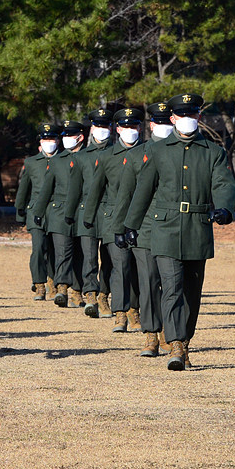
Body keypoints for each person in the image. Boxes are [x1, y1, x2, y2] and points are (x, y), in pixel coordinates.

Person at [123, 93, 235, 370]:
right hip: (165, 228)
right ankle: (175, 344)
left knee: (191, 292)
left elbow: (224, 183)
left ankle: (184, 342)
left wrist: (223, 208)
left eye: (192, 114)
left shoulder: (213, 152)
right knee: (171, 288)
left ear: (199, 116)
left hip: (198, 227)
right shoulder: (158, 151)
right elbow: (144, 189)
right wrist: (129, 225)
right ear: (173, 118)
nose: (187, 119)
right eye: (181, 115)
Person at [111, 102, 175, 356]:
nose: (163, 127)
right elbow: (125, 195)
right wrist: (120, 228)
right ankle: (151, 334)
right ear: (150, 126)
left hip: (173, 229)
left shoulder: (182, 154)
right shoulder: (139, 154)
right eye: (159, 123)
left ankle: (171, 334)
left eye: (167, 122)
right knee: (148, 284)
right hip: (145, 229)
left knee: (172, 285)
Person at [84, 108, 146, 333]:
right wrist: (89, 218)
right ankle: (121, 312)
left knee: (139, 268)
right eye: (125, 127)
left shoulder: (148, 152)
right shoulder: (107, 156)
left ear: (140, 128)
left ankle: (135, 309)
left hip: (142, 221)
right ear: (117, 129)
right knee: (120, 267)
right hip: (114, 220)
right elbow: (96, 189)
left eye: (134, 126)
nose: (130, 131)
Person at [65, 109, 114, 318]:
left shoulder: (117, 152)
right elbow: (75, 188)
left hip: (111, 211)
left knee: (110, 258)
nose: (101, 130)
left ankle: (104, 294)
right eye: (98, 126)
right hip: (87, 212)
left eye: (105, 126)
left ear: (111, 128)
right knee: (89, 257)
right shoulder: (82, 156)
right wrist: (69, 214)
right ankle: (91, 294)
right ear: (91, 128)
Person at [31, 120, 85, 308]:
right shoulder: (56, 161)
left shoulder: (87, 158)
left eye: (71, 136)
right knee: (62, 251)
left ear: (81, 137)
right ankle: (61, 287)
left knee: (81, 254)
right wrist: (38, 212)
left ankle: (78, 291)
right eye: (65, 136)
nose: (67, 140)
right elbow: (47, 189)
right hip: (59, 212)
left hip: (83, 211)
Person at [14, 123, 60, 301]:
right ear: (40, 142)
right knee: (39, 248)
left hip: (57, 212)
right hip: (35, 213)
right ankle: (39, 283)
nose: (49, 142)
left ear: (57, 140)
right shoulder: (31, 162)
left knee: (56, 249)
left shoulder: (64, 160)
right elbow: (24, 189)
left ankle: (54, 281)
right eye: (45, 139)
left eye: (52, 138)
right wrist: (20, 213)